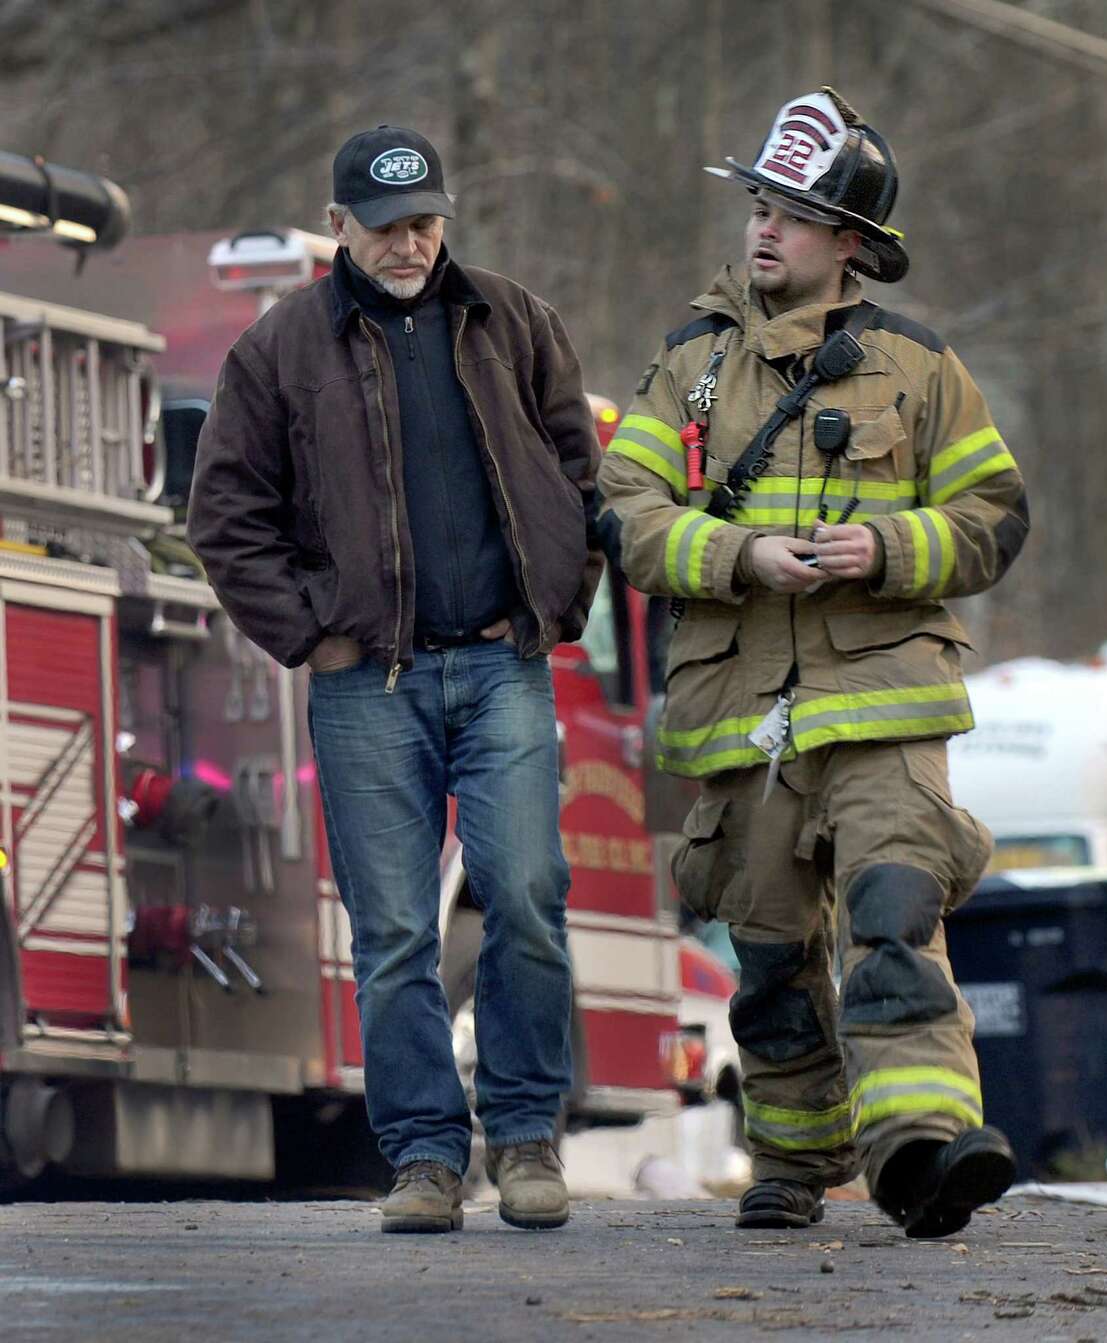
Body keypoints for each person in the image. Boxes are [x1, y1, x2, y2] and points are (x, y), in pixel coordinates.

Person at [598, 89, 1029, 1239]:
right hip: (739, 710)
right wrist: (738, 552)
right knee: (774, 950)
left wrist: (888, 546)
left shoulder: (918, 365)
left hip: (884, 697)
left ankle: (923, 1145)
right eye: (758, 205)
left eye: (792, 212)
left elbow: (994, 513)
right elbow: (626, 512)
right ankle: (794, 1158)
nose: (763, 229)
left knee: (894, 908)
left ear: (851, 244)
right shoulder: (688, 364)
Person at [188, 126, 602, 1234]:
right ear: (339, 227)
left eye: (427, 221)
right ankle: (424, 1156)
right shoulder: (276, 351)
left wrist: (557, 601)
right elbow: (224, 520)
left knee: (524, 894)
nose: (413, 242)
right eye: (388, 226)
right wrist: (309, 634)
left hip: (504, 662)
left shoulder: (513, 320)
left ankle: (524, 1139)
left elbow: (577, 472)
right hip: (365, 681)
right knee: (394, 934)